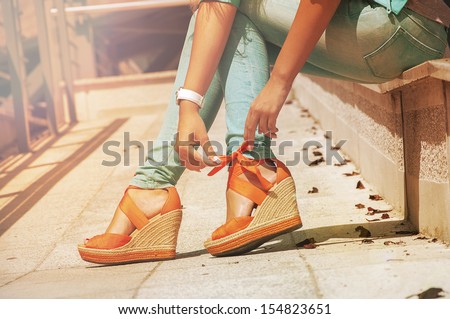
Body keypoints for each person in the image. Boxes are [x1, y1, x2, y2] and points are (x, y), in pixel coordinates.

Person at [78, 0, 449, 264]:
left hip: (405, 26)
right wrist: (187, 107)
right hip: (384, 31)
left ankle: (156, 189)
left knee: (231, 9)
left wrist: (279, 82)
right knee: (227, 16)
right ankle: (248, 175)